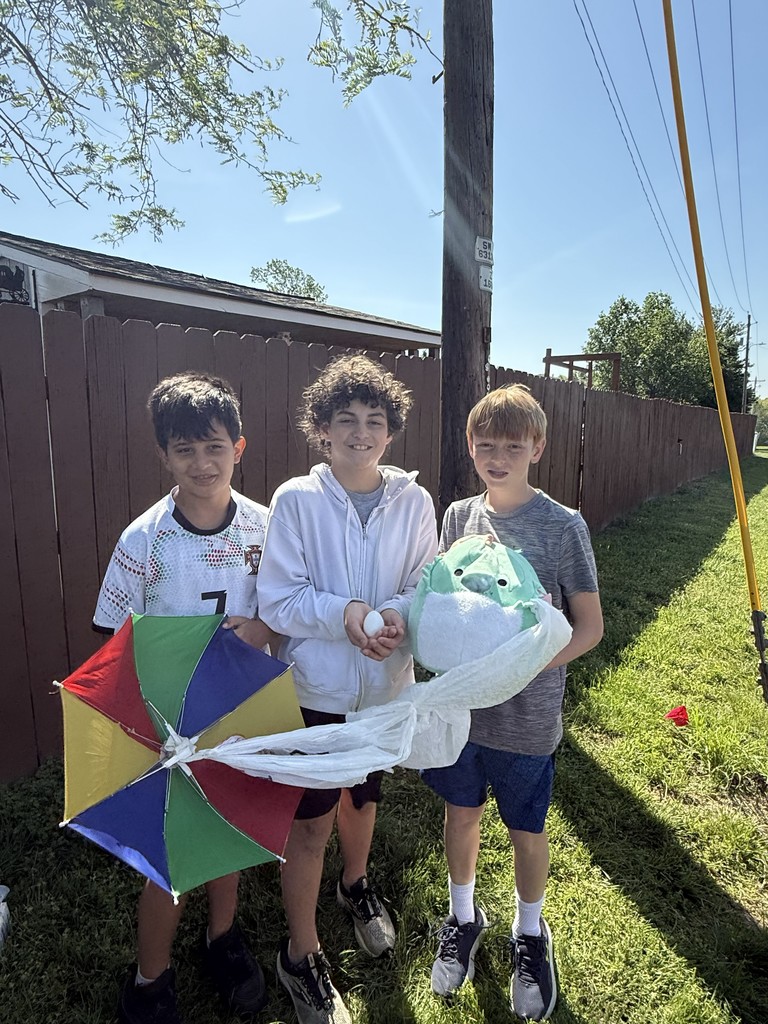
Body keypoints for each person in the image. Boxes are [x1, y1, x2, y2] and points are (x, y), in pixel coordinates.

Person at [257, 354, 438, 1024]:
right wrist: (348, 615)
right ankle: (300, 954)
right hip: (318, 690)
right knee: (310, 822)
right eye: (345, 421)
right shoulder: (297, 501)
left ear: (391, 431)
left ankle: (355, 886)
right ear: (321, 430)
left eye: (374, 420)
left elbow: (426, 583)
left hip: (385, 688)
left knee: (363, 799)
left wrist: (395, 617)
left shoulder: (415, 501)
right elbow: (280, 599)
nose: (360, 432)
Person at [93, 371, 275, 1024]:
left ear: (239, 448)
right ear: (164, 455)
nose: (202, 463)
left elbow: (284, 607)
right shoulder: (144, 542)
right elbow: (112, 640)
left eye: (214, 447)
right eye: (185, 449)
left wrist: (259, 628)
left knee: (228, 830)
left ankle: (222, 939)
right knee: (169, 854)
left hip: (244, 708)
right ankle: (150, 978)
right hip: (170, 718)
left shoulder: (267, 528)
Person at [421, 383, 603, 1023]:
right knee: (461, 816)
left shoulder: (562, 526)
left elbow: (588, 627)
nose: (498, 456)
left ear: (538, 448)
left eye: (513, 445)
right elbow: (446, 605)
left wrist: (520, 666)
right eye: (485, 444)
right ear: (471, 448)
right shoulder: (458, 517)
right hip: (463, 713)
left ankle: (531, 933)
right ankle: (464, 916)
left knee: (526, 829)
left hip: (525, 717)